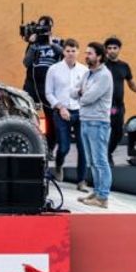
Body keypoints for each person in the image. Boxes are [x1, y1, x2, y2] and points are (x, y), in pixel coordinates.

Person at [75, 41, 114, 207]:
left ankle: (103, 197)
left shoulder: (104, 75)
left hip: (98, 123)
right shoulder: (87, 74)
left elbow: (88, 98)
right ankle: (97, 192)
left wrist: (82, 94)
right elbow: (73, 92)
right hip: (85, 120)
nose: (86, 56)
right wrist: (81, 93)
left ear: (99, 56)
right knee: (91, 161)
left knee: (100, 161)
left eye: (90, 53)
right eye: (86, 53)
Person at [44, 41, 87, 188]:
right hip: (61, 112)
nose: (70, 54)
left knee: (83, 148)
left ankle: (81, 181)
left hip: (80, 112)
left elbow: (87, 91)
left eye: (73, 51)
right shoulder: (54, 69)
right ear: (63, 52)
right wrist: (60, 107)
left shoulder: (84, 70)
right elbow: (48, 93)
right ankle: (59, 164)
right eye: (68, 51)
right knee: (64, 147)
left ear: (78, 52)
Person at [103, 38, 136, 159]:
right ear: (106, 50)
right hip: (104, 105)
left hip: (118, 106)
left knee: (118, 132)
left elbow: (131, 84)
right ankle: (104, 156)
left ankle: (108, 153)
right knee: (105, 131)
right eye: (109, 48)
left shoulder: (124, 66)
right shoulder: (102, 65)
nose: (112, 51)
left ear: (119, 49)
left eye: (115, 48)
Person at [21, 16, 60, 109]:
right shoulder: (34, 44)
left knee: (51, 112)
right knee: (29, 110)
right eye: (41, 28)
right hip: (32, 84)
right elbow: (26, 63)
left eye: (46, 28)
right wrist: (32, 44)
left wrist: (52, 44)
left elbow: (64, 56)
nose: (44, 31)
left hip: (50, 85)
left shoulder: (57, 42)